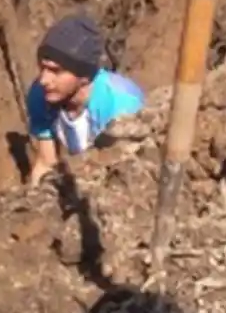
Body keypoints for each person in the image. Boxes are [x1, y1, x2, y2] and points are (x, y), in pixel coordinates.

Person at [26, 13, 144, 186]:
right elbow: (45, 163)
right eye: (42, 68)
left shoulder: (120, 105)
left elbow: (123, 176)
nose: (44, 80)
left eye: (55, 71)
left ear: (84, 77)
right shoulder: (40, 95)